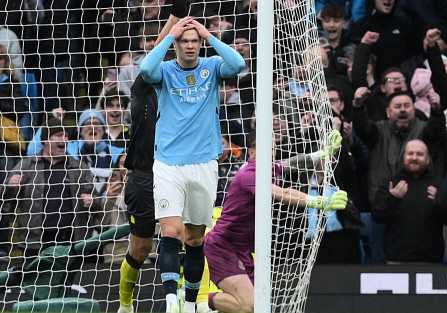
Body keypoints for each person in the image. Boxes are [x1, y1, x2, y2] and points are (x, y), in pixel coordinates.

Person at [139, 15, 245, 313]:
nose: (189, 46)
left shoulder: (212, 68)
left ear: (200, 44)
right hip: (169, 163)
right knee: (171, 230)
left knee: (195, 237)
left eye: (193, 41)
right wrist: (170, 34)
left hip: (203, 163)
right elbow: (145, 69)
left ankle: (189, 302)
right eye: (184, 41)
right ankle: (171, 300)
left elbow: (237, 65)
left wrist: (210, 36)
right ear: (176, 45)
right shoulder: (165, 71)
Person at [204, 131, 348, 313]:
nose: (271, 152)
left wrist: (324, 153)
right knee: (249, 306)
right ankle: (203, 304)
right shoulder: (249, 174)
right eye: (266, 148)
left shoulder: (270, 168)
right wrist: (319, 202)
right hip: (223, 246)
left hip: (243, 250)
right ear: (251, 152)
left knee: (259, 306)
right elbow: (283, 193)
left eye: (272, 148)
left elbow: (294, 163)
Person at [117, 2, 188, 312]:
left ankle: (182, 301)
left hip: (174, 173)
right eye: (148, 48)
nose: (154, 52)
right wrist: (175, 17)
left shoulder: (179, 85)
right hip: (143, 176)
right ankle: (125, 304)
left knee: (180, 237)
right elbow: (153, 55)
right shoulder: (142, 85)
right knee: (141, 247)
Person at [1, 117, 97, 257]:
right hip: (35, 242)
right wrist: (10, 186)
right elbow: (3, 198)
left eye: (66, 136)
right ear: (45, 140)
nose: (64, 139)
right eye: (58, 135)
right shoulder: (27, 165)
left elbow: (95, 200)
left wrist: (92, 200)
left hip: (70, 241)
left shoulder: (79, 167)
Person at [372, 139, 447, 263]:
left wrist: (440, 202)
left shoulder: (439, 184)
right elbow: (377, 216)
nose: (414, 157)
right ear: (403, 158)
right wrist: (393, 198)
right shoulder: (391, 183)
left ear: (428, 159)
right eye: (410, 153)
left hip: (431, 262)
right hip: (396, 260)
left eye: (420, 154)